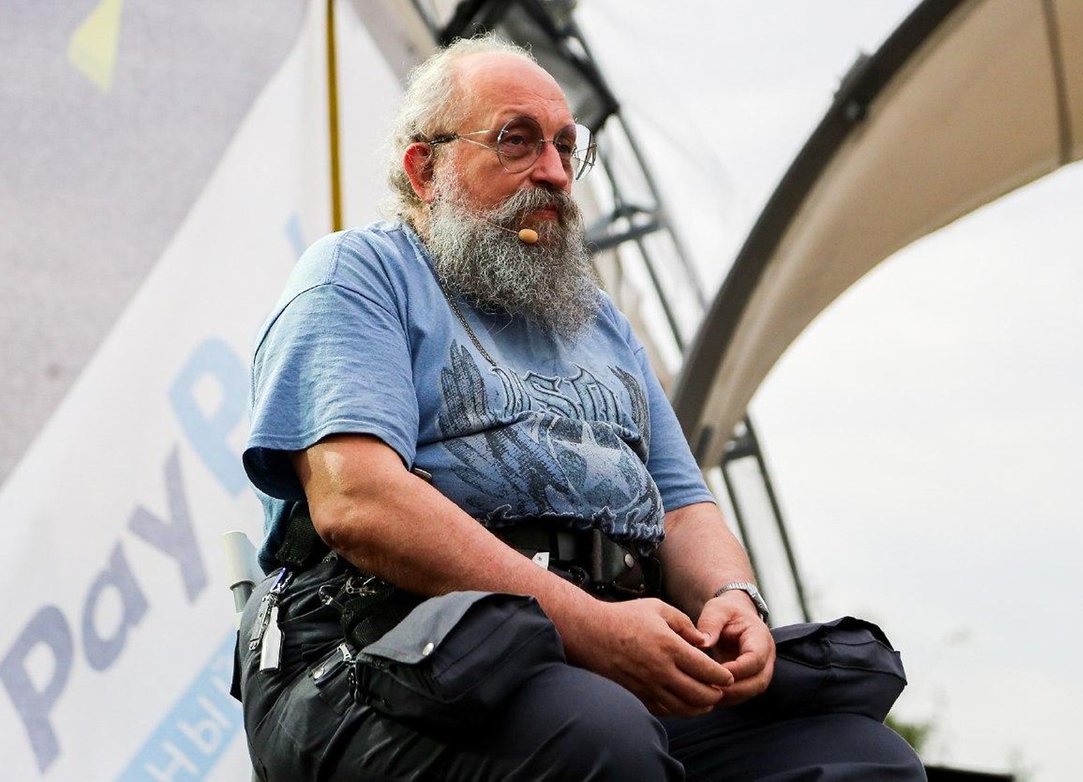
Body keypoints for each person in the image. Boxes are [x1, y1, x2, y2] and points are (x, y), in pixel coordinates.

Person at [233, 34, 926, 781]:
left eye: (566, 147)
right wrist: (591, 627)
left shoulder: (599, 323)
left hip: (586, 666)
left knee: (862, 759)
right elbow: (358, 502)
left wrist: (733, 600)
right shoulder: (361, 273)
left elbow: (683, 512)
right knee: (601, 736)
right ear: (424, 168)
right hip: (376, 661)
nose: (555, 173)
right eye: (517, 140)